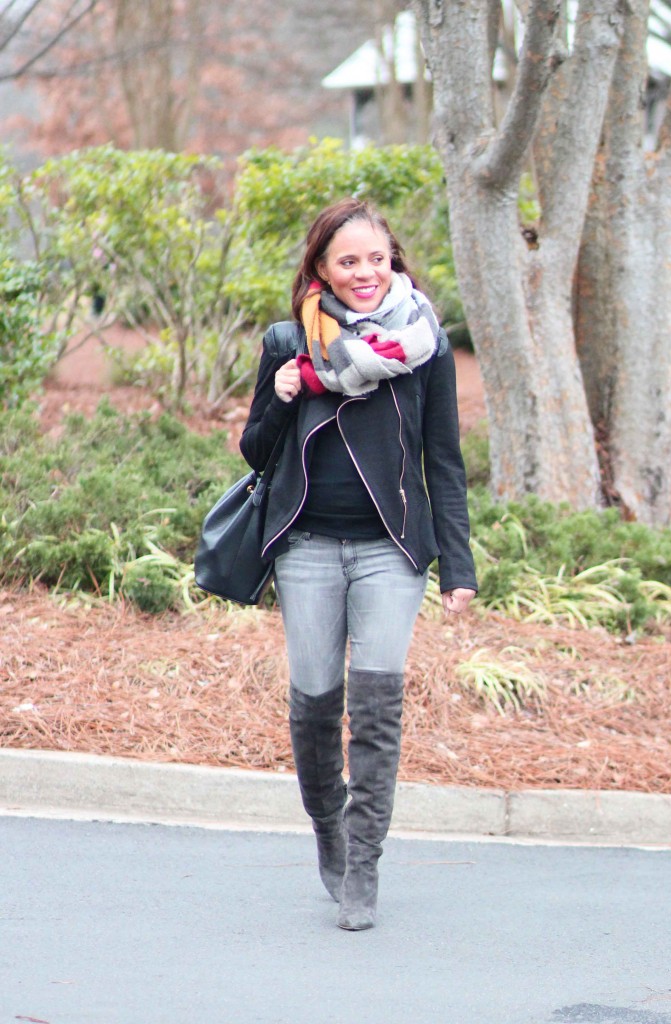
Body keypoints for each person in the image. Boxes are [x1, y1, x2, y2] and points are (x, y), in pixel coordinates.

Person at [239, 197, 477, 931]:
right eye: (348, 261)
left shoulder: (423, 346)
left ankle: (363, 865)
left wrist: (458, 567)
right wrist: (281, 398)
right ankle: (329, 830)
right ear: (320, 269)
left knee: (376, 711)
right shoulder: (289, 342)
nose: (365, 272)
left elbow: (443, 458)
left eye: (377, 258)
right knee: (314, 706)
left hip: (392, 554)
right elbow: (255, 450)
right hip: (306, 550)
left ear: (393, 261)